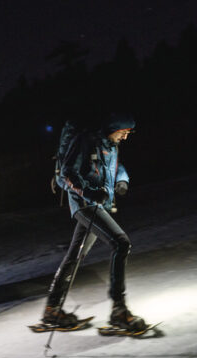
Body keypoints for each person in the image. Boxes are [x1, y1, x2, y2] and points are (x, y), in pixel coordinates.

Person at [42, 114, 146, 331]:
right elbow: (68, 172)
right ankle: (119, 310)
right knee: (121, 243)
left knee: (75, 255)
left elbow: (116, 167)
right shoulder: (86, 141)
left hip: (99, 205)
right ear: (113, 128)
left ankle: (52, 309)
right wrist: (89, 192)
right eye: (124, 132)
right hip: (84, 205)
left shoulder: (111, 145)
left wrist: (122, 180)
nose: (125, 137)